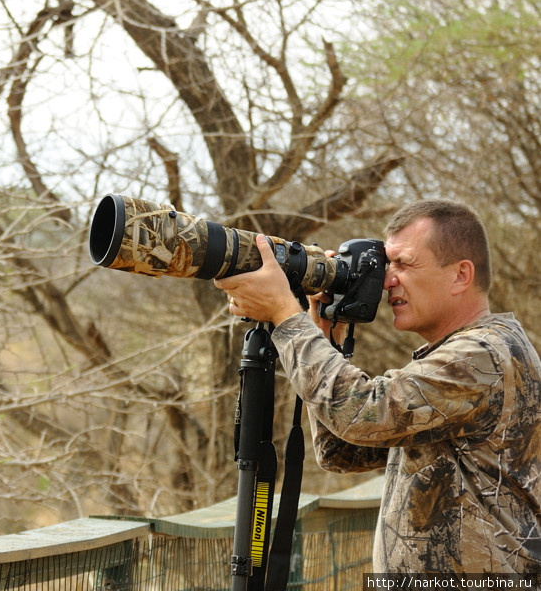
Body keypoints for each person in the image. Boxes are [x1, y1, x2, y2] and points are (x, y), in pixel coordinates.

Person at [214, 199, 541, 575]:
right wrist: (325, 336)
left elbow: (360, 415)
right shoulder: (461, 356)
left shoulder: (485, 354)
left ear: (460, 275)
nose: (387, 281)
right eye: (387, 266)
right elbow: (344, 450)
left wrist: (286, 317)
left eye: (404, 264)